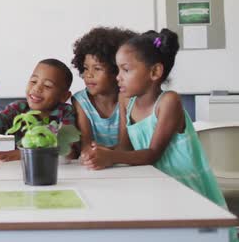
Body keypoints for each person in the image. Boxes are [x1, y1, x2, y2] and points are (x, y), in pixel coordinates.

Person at [81, 29, 237, 242]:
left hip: (185, 187)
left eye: (125, 70)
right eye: (117, 69)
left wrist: (110, 156)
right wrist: (98, 153)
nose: (117, 77)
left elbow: (152, 154)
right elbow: (125, 148)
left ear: (155, 72)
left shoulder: (169, 102)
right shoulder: (127, 101)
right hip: (156, 184)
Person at [0, 59, 75, 161]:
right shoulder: (18, 109)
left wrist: (24, 154)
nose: (37, 88)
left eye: (47, 86)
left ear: (64, 96)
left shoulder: (66, 112)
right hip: (21, 171)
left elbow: (67, 149)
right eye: (33, 81)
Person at [71, 27, 136, 154]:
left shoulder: (129, 99)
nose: (88, 75)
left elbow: (126, 147)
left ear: (116, 70)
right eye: (85, 68)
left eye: (97, 68)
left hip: (126, 164)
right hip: (93, 164)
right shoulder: (80, 101)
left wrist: (108, 155)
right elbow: (86, 147)